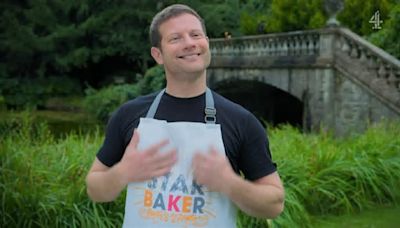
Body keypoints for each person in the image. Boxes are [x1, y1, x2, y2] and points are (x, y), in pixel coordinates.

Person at [86, 4, 284, 227]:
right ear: (158, 55)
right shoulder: (128, 115)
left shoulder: (242, 121)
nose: (189, 43)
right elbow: (95, 189)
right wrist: (124, 172)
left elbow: (274, 205)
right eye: (176, 38)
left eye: (195, 35)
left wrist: (229, 182)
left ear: (206, 42)